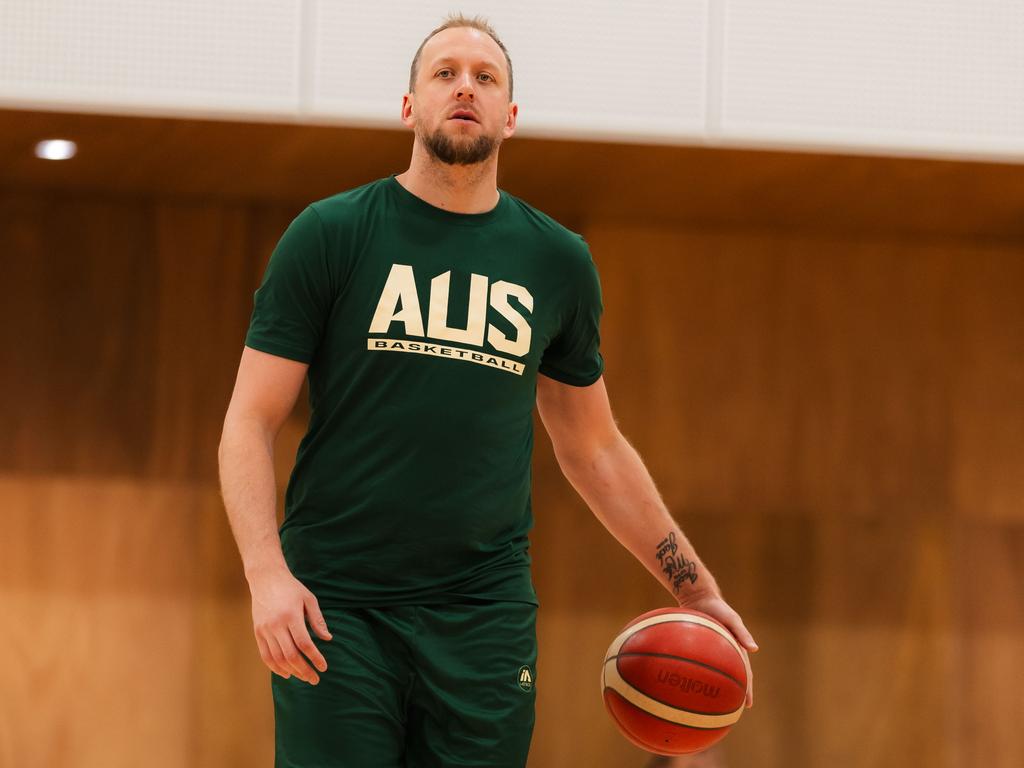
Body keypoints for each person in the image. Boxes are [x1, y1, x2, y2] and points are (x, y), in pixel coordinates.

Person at [218, 13, 757, 768]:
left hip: (482, 616)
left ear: (510, 116)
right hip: (337, 606)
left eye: (485, 77)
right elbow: (250, 418)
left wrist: (695, 589)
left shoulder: (556, 261)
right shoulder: (331, 234)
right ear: (409, 106)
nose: (464, 86)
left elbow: (593, 446)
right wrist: (265, 574)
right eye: (443, 73)